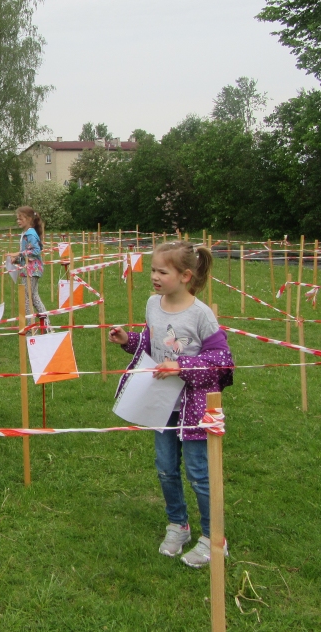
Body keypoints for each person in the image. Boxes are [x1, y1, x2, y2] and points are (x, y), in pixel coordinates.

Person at [108, 240, 234, 567]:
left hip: (194, 408)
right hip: (160, 404)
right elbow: (152, 345)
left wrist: (182, 367)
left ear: (185, 275)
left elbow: (222, 361)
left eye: (162, 271)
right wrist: (128, 340)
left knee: (199, 473)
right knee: (165, 469)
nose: (155, 276)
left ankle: (213, 537)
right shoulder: (153, 304)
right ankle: (178, 524)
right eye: (153, 269)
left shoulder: (201, 315)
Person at [8, 206, 49, 331]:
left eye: (21, 218)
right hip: (28, 268)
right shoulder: (26, 233)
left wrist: (19, 254)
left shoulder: (30, 233)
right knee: (34, 297)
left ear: (29, 219)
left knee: (26, 298)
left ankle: (31, 327)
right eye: (17, 219)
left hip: (31, 270)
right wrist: (18, 259)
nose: (18, 221)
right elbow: (28, 251)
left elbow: (36, 251)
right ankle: (46, 325)